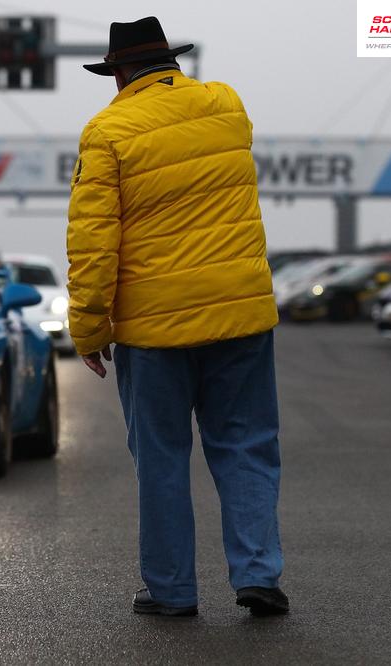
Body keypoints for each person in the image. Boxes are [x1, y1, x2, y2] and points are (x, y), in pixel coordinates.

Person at [66, 16, 288, 618]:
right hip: (240, 315)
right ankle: (258, 575)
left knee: (162, 456)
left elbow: (93, 243)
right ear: (171, 62)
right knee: (246, 445)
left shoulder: (107, 131)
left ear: (118, 76)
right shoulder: (225, 104)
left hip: (153, 329)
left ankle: (170, 590)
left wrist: (89, 328)